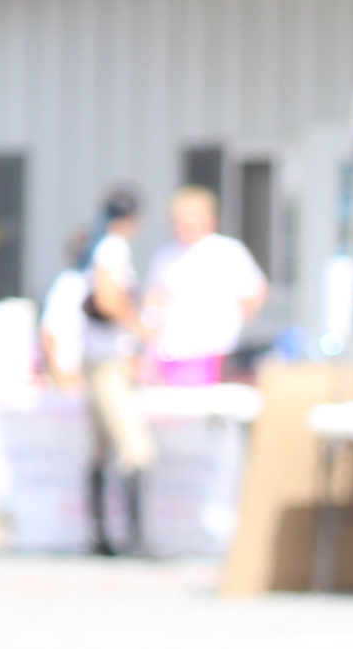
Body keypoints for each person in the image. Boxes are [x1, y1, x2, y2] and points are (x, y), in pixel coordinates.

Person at [79, 188, 153, 555]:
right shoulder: (113, 248)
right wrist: (137, 325)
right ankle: (132, 538)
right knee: (135, 450)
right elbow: (109, 300)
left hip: (99, 357)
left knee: (101, 449)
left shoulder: (97, 247)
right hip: (108, 361)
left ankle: (102, 535)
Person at [139, 185, 267, 386]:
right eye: (181, 217)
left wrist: (234, 322)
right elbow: (155, 298)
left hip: (219, 349)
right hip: (176, 351)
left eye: (193, 215)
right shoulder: (165, 256)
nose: (186, 222)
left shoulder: (228, 251)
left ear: (210, 219)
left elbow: (254, 291)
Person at [37, 225, 95, 390]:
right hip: (70, 380)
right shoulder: (69, 284)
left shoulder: (94, 285)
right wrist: (61, 376)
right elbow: (48, 334)